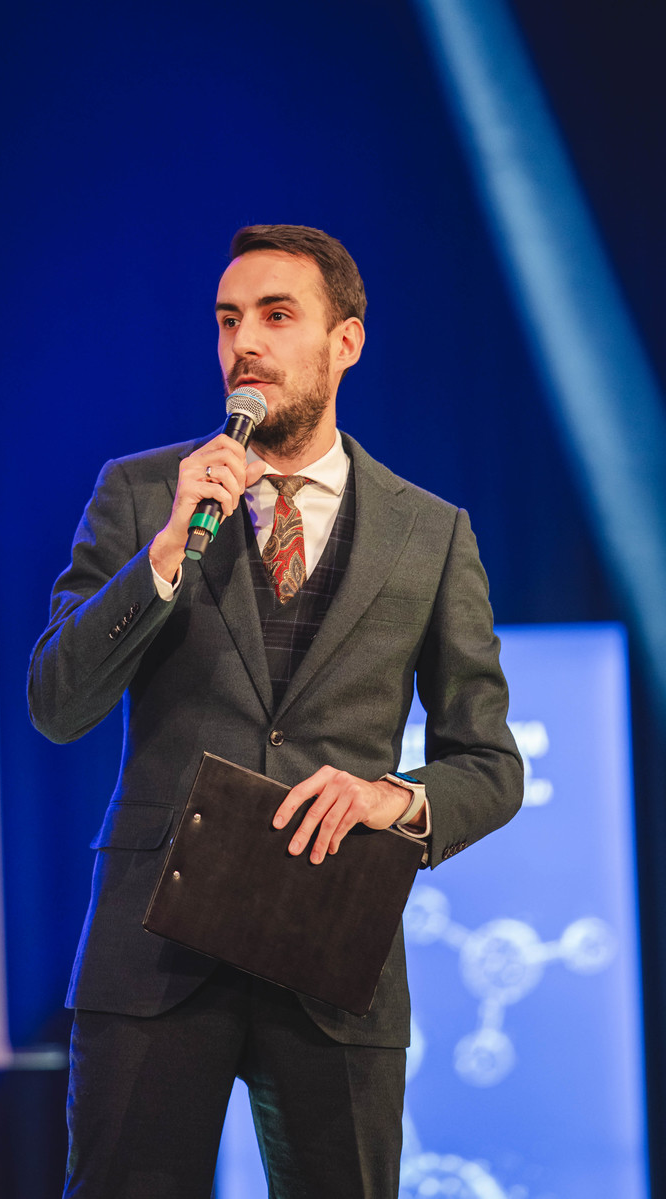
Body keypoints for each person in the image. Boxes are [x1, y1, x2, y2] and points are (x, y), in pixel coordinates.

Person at [28, 224, 523, 1199]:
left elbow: (489, 763)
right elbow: (56, 702)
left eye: (275, 315)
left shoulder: (430, 532)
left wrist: (391, 799)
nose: (243, 343)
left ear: (345, 342)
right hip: (153, 945)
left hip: (332, 947)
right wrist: (165, 550)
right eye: (227, 320)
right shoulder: (143, 494)